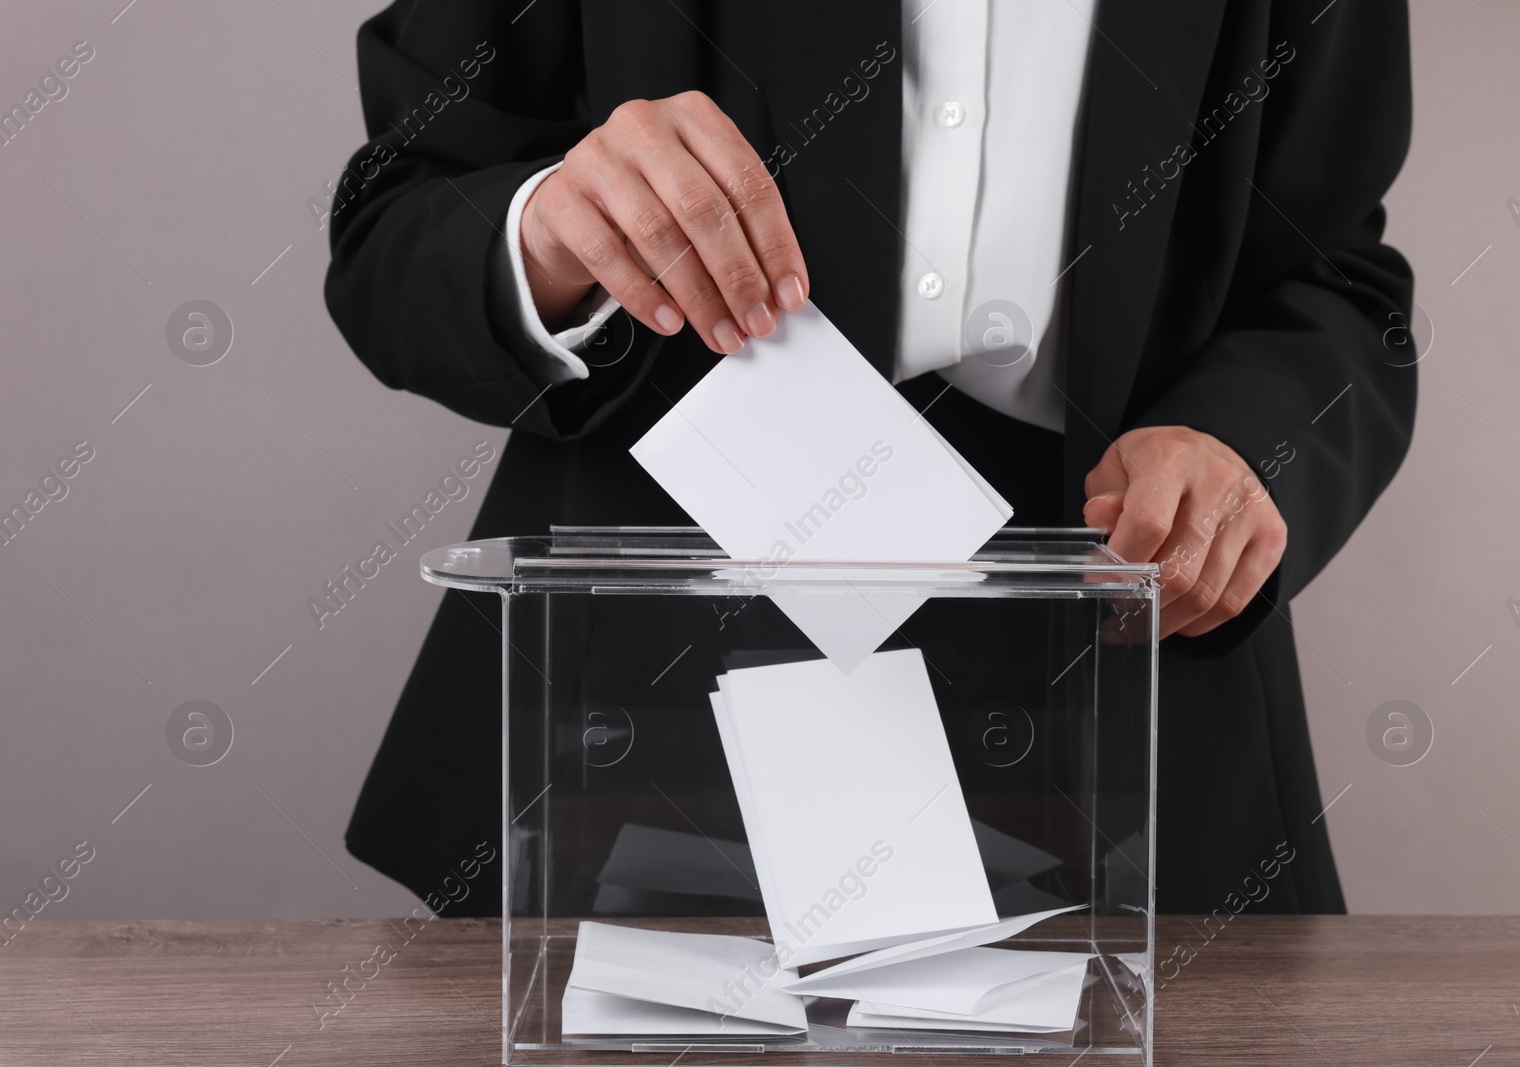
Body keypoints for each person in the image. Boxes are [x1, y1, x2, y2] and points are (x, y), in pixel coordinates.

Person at [325, 0, 1415, 915]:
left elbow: (1335, 277)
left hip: (1121, 656)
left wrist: (1242, 440)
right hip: (645, 662)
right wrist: (551, 233)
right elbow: (395, 225)